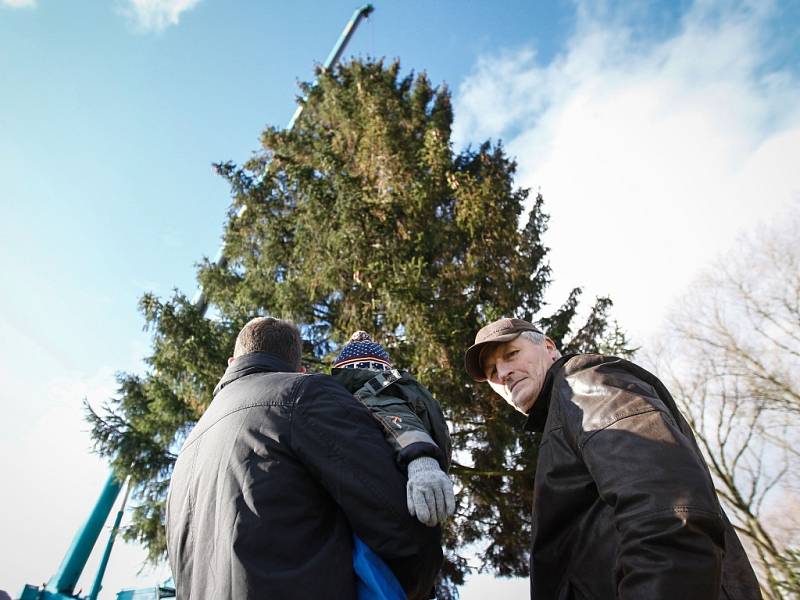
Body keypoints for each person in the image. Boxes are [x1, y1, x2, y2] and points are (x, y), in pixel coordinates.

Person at [464, 317, 762, 599]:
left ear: (549, 347)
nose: (502, 374)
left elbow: (668, 510)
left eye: (512, 353)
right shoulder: (561, 416)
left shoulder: (581, 384)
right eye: (492, 373)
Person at [166, 317, 442, 600]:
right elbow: (395, 514)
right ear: (301, 370)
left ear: (231, 362)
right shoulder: (303, 393)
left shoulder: (187, 452)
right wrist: (414, 586)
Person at [331, 331, 455, 527]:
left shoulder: (371, 391)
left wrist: (421, 460)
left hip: (384, 510)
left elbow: (393, 415)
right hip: (413, 507)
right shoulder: (405, 388)